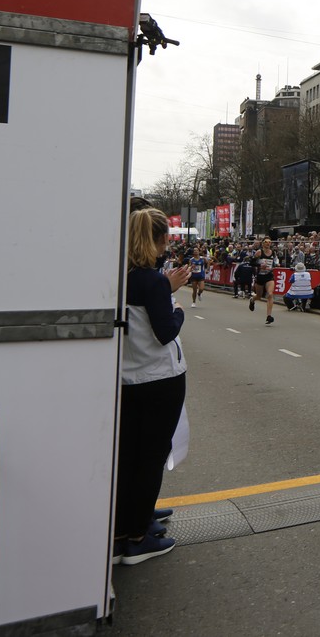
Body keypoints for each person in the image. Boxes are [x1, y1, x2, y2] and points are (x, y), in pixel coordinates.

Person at [117, 207, 190, 565]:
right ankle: (137, 536)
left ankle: (129, 523)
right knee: (151, 458)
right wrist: (177, 306)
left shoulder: (122, 277)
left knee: (130, 456)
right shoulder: (154, 282)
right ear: (159, 239)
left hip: (129, 377)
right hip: (159, 378)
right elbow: (165, 332)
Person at [250, 237, 278, 325]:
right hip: (260, 276)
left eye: (269, 242)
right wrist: (260, 266)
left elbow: (275, 262)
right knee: (259, 296)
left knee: (270, 294)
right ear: (262, 243)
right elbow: (251, 263)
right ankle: (252, 300)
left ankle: (269, 316)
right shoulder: (259, 252)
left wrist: (275, 265)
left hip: (269, 276)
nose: (268, 243)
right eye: (266, 242)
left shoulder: (273, 253)